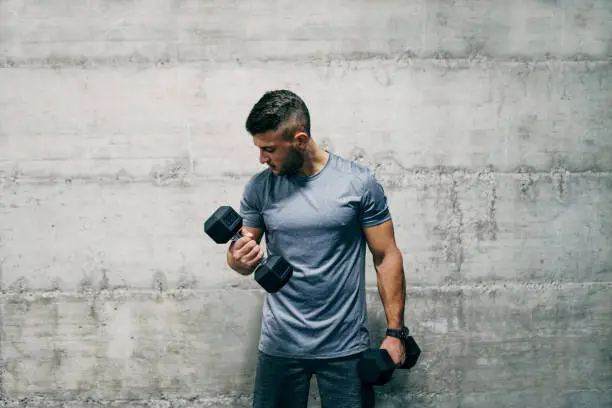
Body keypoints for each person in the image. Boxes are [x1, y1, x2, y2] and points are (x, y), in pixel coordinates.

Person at [226, 89, 408, 408]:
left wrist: (396, 333)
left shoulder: (358, 183)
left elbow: (386, 255)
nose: (262, 159)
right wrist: (238, 258)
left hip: (345, 347)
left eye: (269, 149)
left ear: (299, 139)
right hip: (280, 344)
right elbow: (242, 248)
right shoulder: (259, 187)